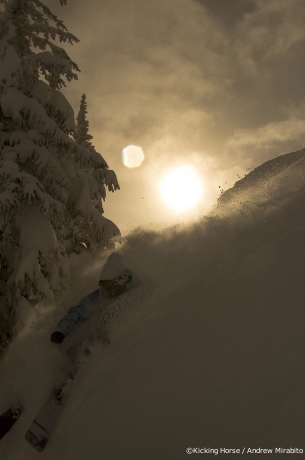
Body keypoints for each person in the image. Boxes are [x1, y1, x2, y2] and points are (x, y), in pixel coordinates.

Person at [50, 253, 140, 344]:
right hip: (109, 337)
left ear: (121, 281)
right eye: (104, 285)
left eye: (110, 285)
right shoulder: (103, 295)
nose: (108, 290)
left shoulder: (137, 291)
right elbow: (77, 312)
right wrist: (60, 331)